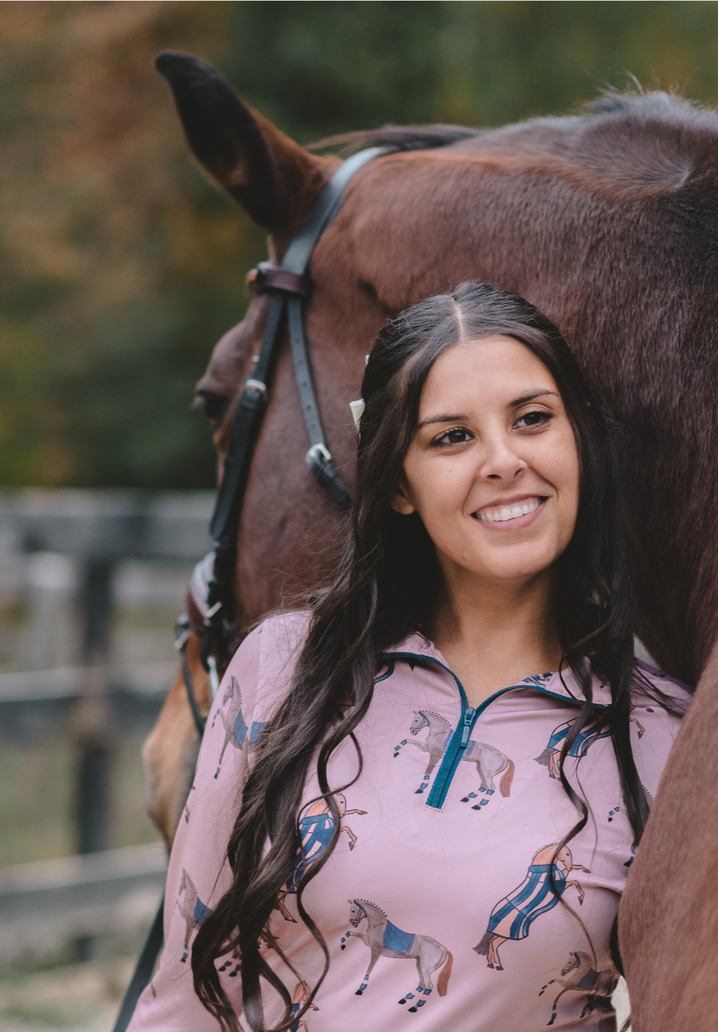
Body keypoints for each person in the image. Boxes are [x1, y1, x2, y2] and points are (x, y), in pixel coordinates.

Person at [132, 282, 689, 1031]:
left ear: (578, 442)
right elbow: (186, 998)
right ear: (398, 481)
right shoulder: (284, 668)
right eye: (451, 436)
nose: (503, 461)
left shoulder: (662, 737)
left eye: (531, 420)